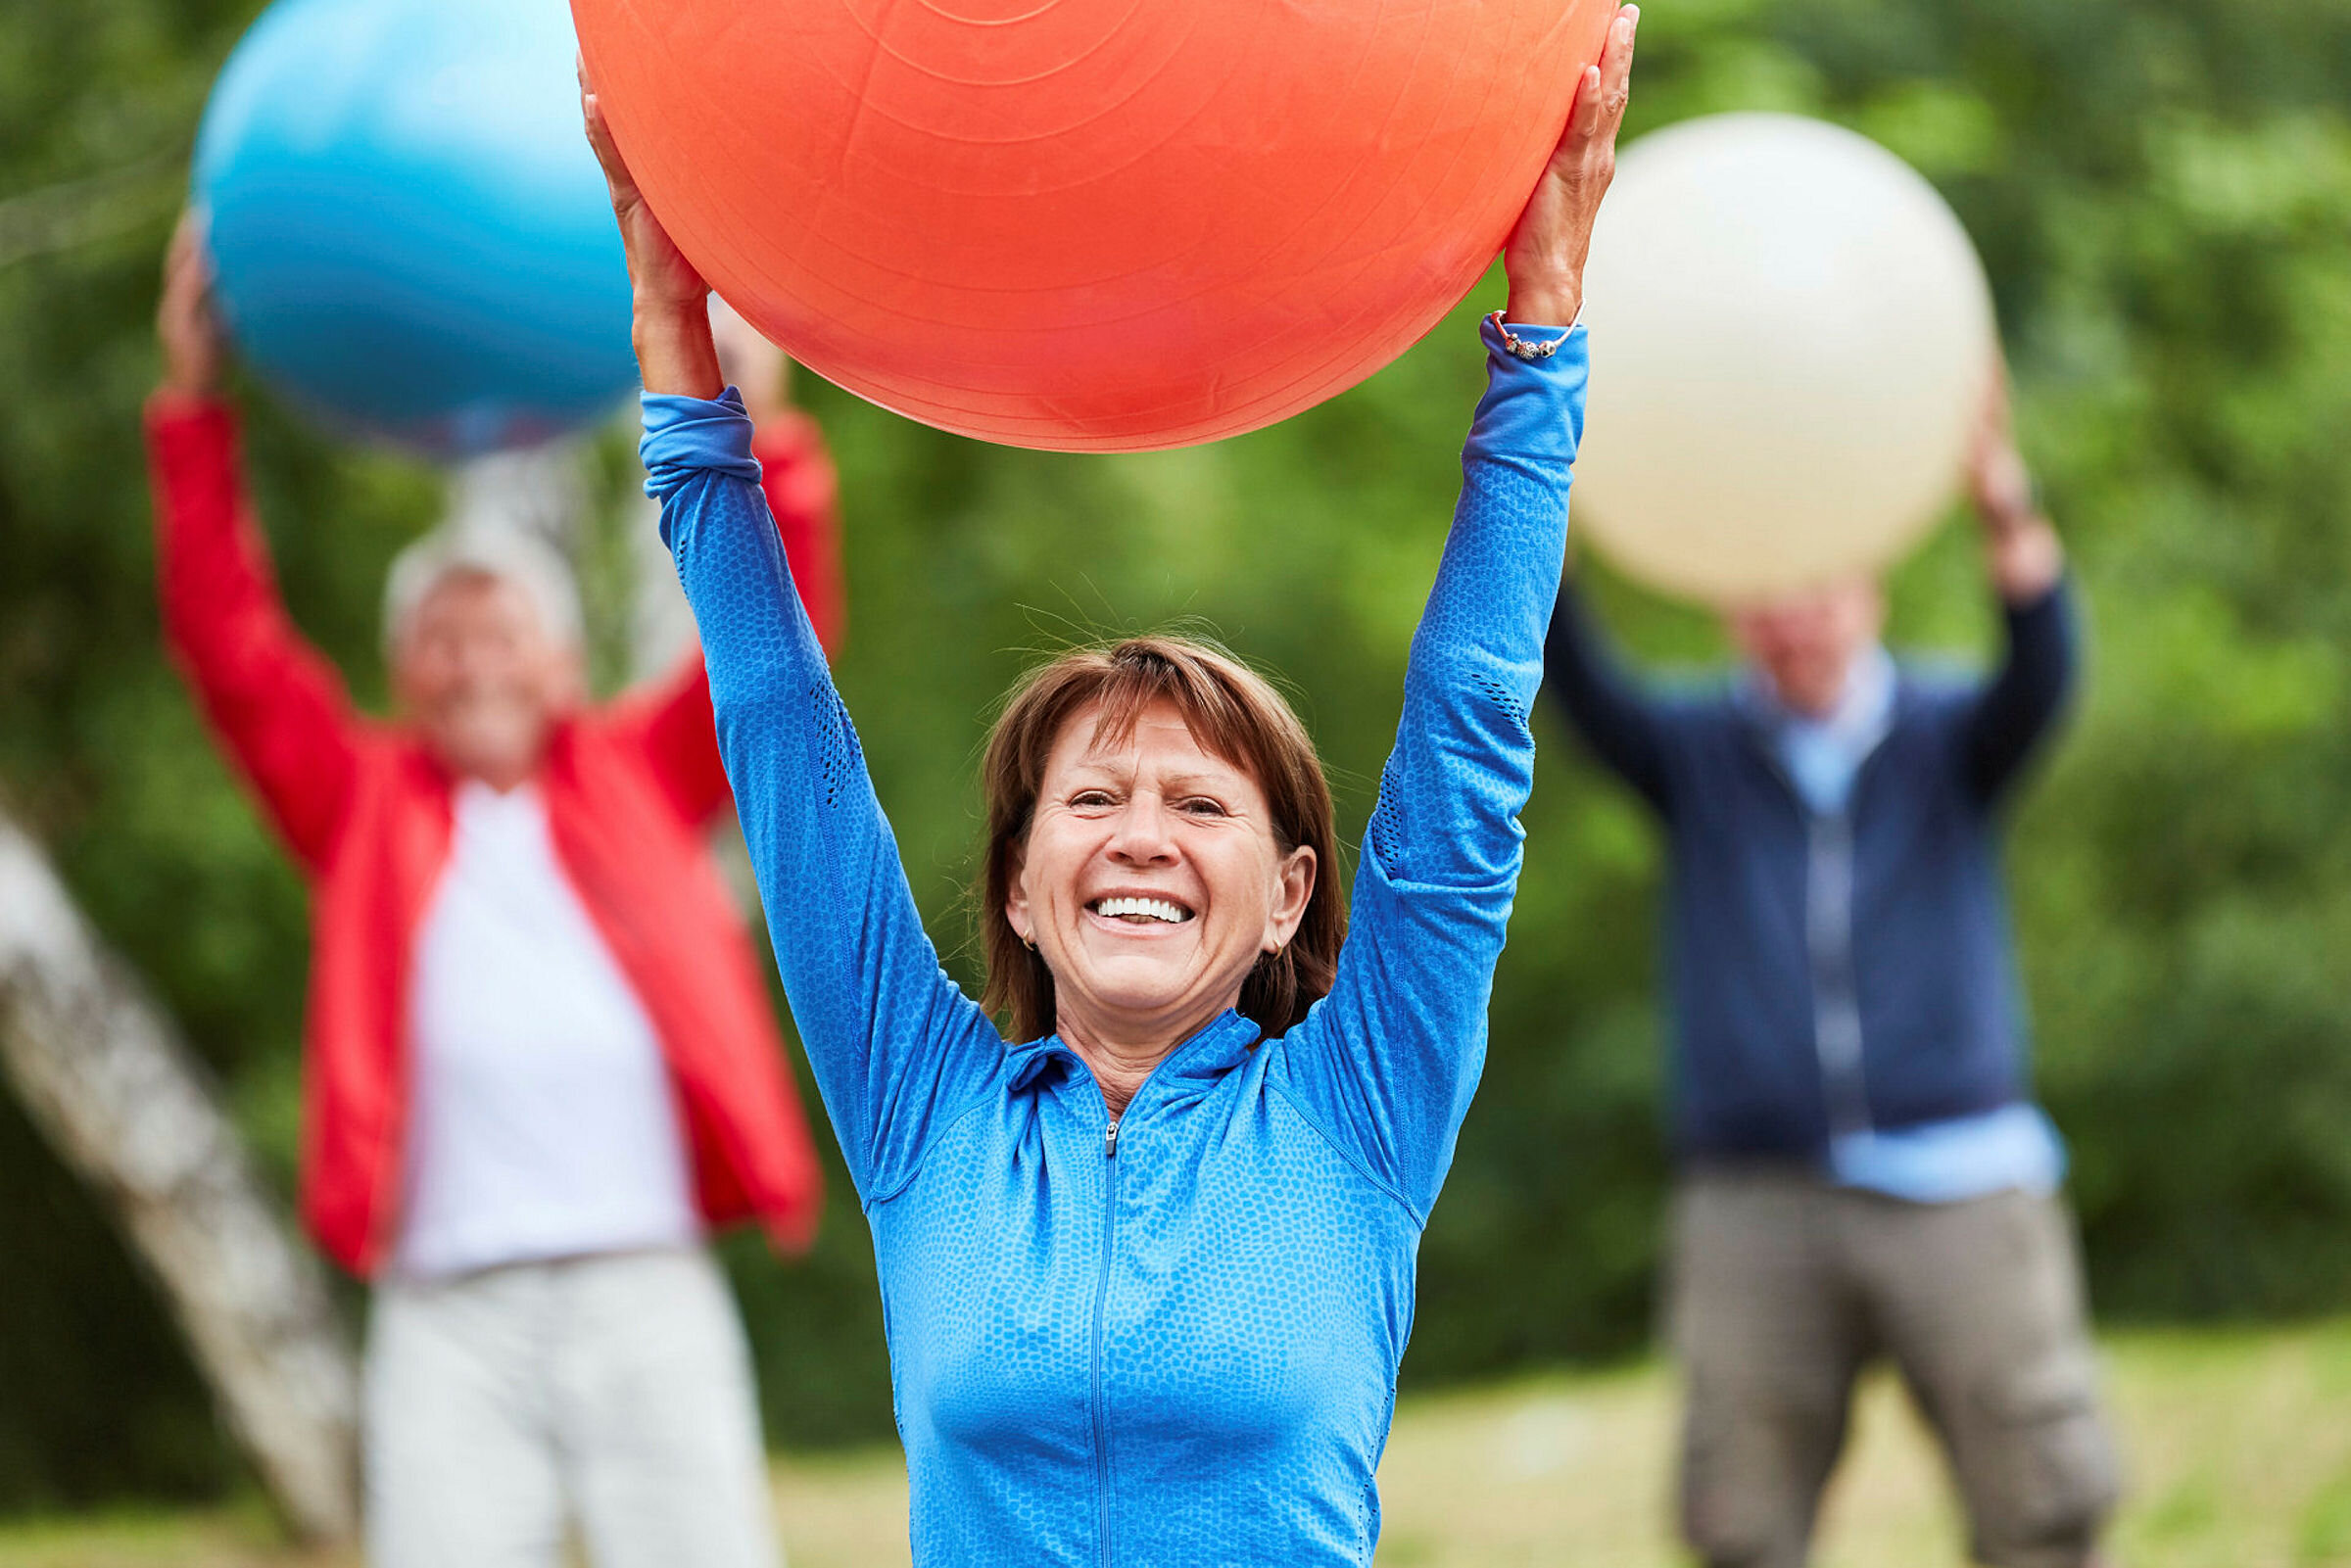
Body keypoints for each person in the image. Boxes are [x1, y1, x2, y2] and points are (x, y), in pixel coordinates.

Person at [578, 7, 1638, 1562]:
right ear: (1020, 885)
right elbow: (783, 741)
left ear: (1288, 896)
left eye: (1201, 806)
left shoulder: (1359, 1106)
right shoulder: (924, 1111)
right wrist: (682, 358)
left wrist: (1541, 334)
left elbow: (1471, 720)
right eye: (1091, 801)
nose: (1141, 836)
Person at [146, 219, 842, 1568]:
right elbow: (229, 648)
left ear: (564, 662)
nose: (472, 662)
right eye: (440, 637)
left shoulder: (644, 773)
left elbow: (779, 648)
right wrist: (192, 405)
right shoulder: (360, 802)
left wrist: (772, 425)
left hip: (645, 1279)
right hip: (448, 1306)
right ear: (402, 672)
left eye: (500, 631)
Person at [1543, 379, 2122, 1568]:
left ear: (1870, 589)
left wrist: (2004, 506)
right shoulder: (1695, 751)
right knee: (1740, 1520)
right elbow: (1578, 676)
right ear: (1730, 609)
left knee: (2041, 1501)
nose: (1793, 618)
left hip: (1961, 1179)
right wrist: (1542, 471)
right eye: (1766, 594)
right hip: (1754, 1194)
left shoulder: (1949, 734)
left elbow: (2045, 669)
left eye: (1817, 588)